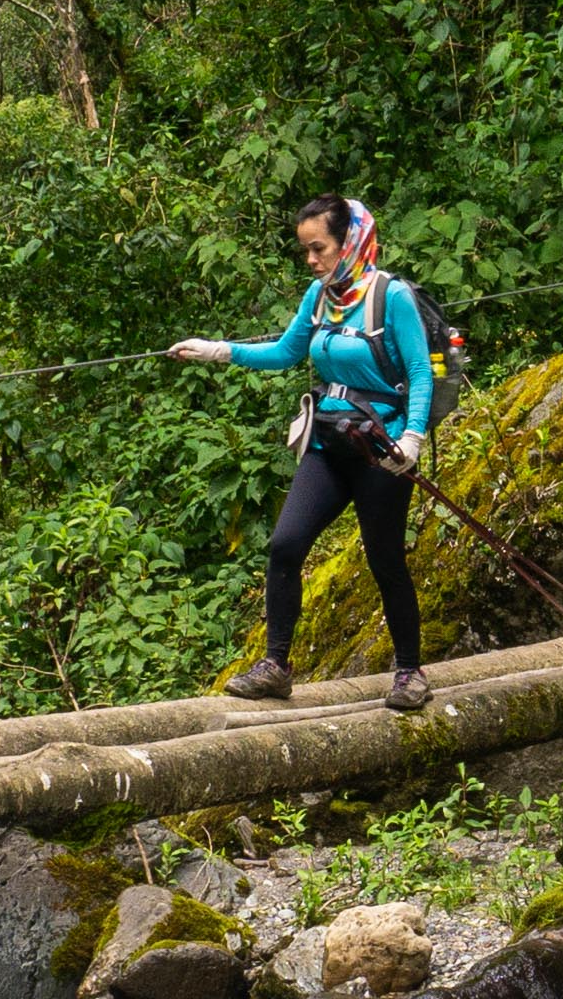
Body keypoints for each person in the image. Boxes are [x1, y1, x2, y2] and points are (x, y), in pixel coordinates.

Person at [169, 193, 441, 707]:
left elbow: (421, 371)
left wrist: (413, 439)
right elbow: (285, 352)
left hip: (382, 448)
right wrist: (217, 350)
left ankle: (409, 672)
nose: (312, 261)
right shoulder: (319, 297)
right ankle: (276, 665)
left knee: (385, 560)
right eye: (306, 253)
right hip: (330, 440)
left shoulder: (390, 297)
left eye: (320, 249)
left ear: (350, 242)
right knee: (285, 545)